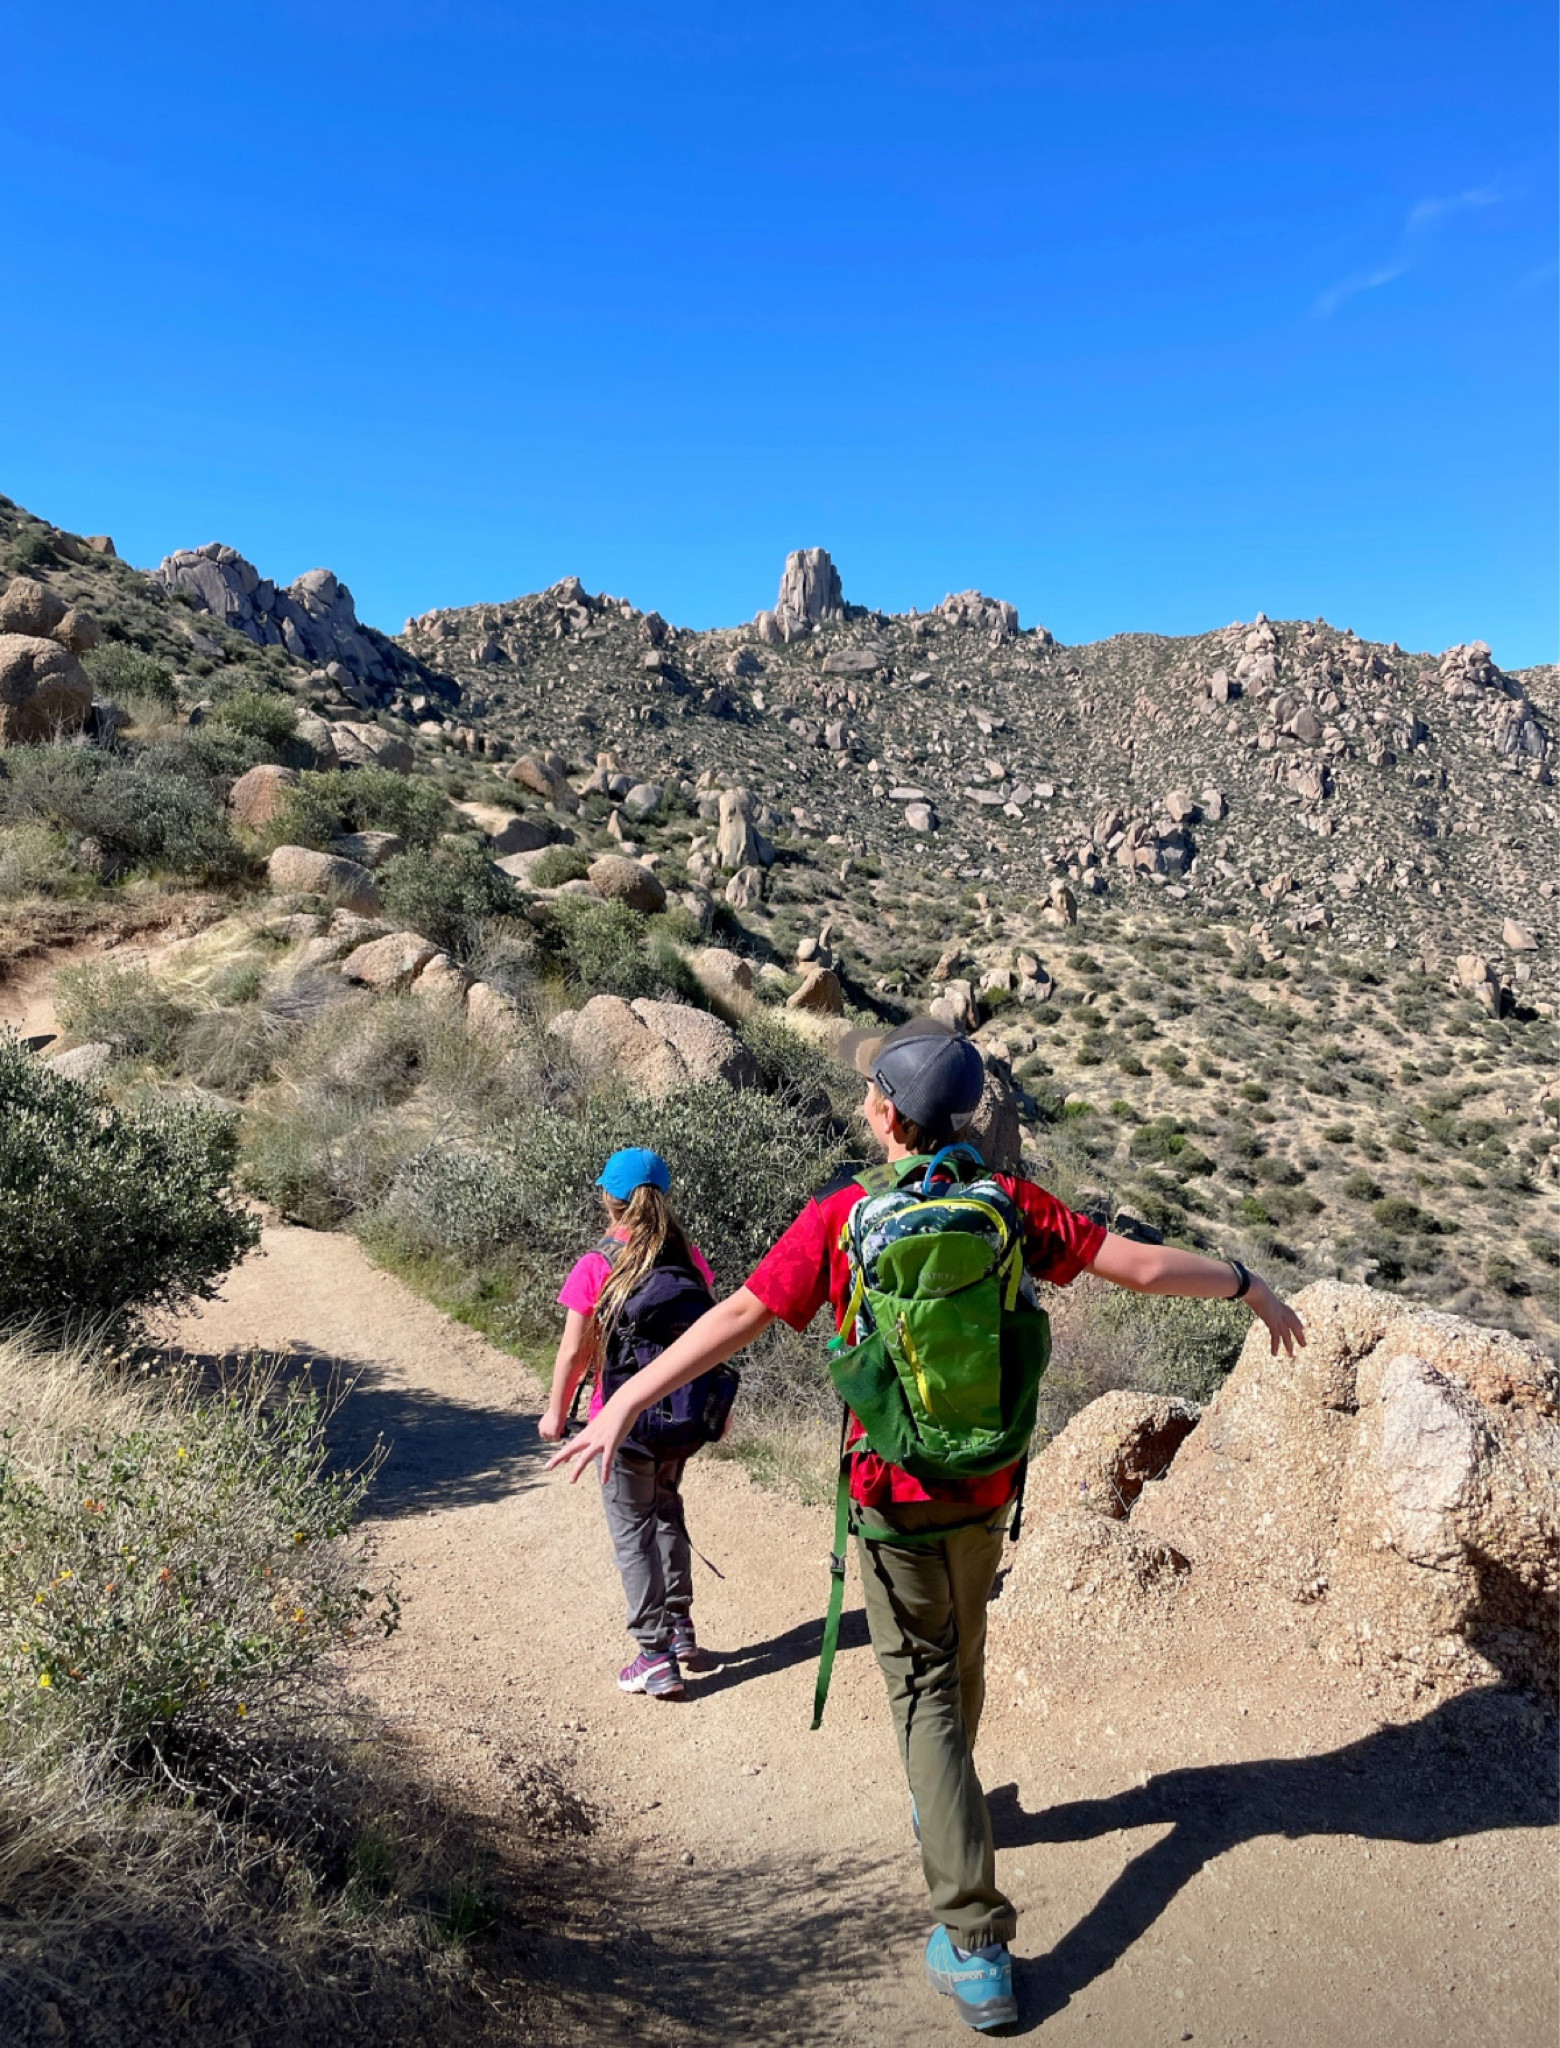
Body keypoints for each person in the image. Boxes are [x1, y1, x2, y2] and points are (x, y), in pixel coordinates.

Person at [548, 1024, 1306, 2030]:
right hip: (987, 1482)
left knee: (923, 1693)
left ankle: (975, 1937)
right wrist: (1248, 1282)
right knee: (963, 1653)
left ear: (884, 1114)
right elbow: (1140, 1266)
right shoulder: (1008, 1203)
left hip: (891, 1490)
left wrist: (623, 1399)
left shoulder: (845, 1214)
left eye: (870, 1088)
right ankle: (942, 1804)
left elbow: (739, 1315)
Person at [538, 1146, 719, 1702]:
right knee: (666, 1511)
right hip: (681, 1420)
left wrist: (554, 1412)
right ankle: (681, 1628)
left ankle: (653, 1656)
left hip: (620, 1424)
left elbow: (574, 1351)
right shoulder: (691, 1259)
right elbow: (711, 1339)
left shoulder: (597, 1264)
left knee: (631, 1533)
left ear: (608, 1201)